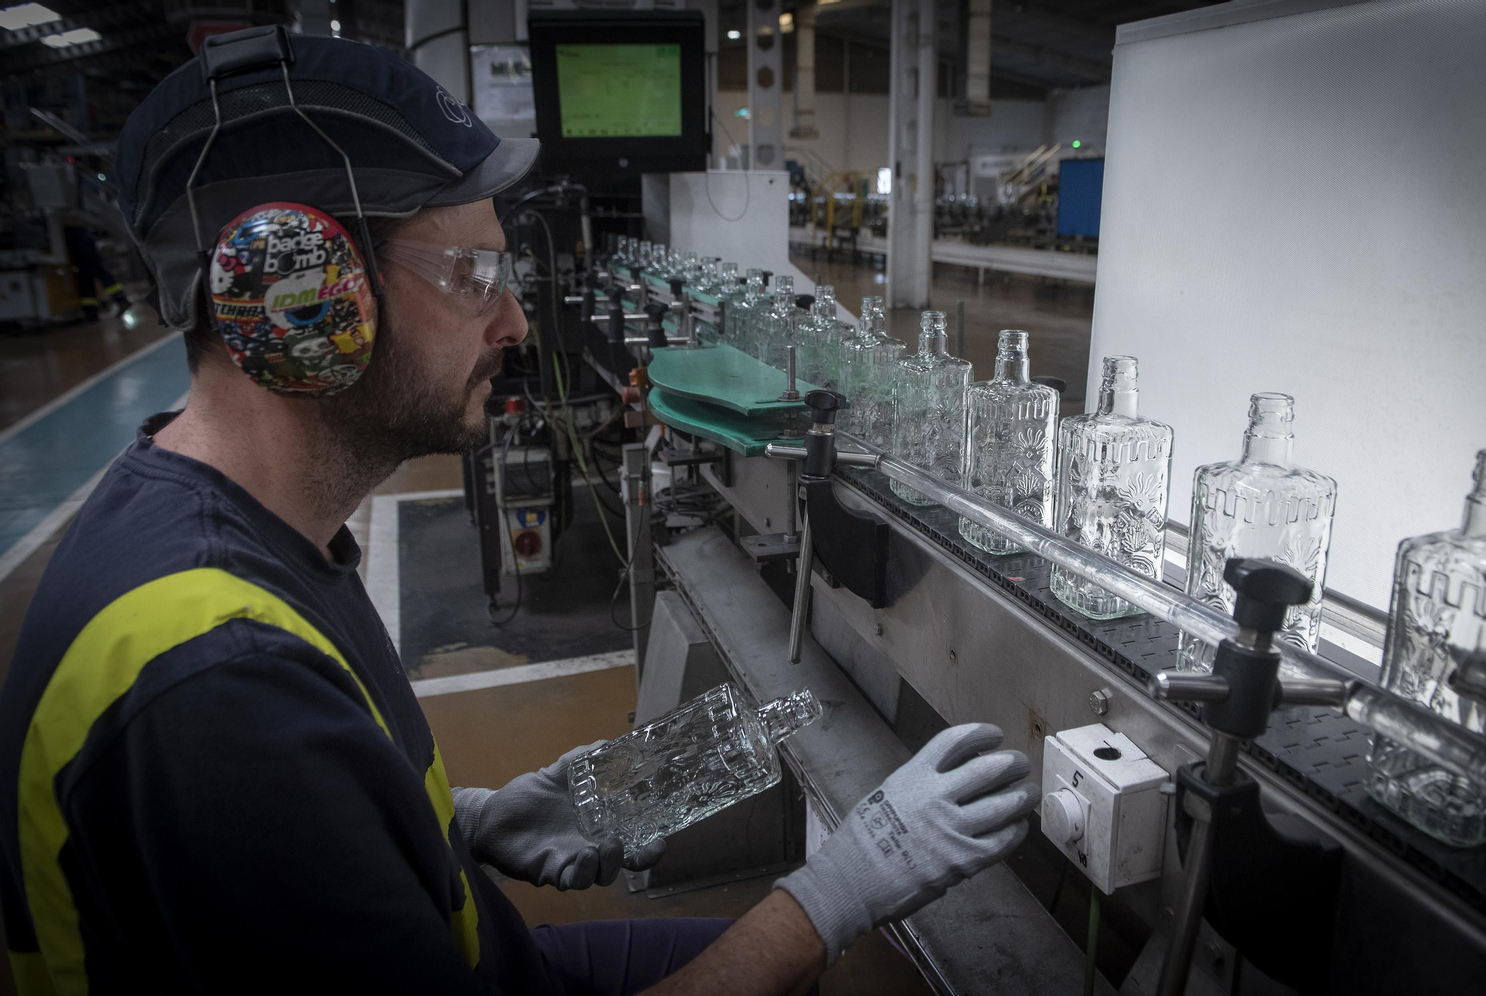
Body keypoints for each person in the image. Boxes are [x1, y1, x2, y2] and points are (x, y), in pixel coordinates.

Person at [0, 29, 1038, 996]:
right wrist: (836, 893)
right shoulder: (216, 686)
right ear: (295, 298)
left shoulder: (234, 534)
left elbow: (289, 847)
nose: (515, 320)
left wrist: (461, 823)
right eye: (472, 275)